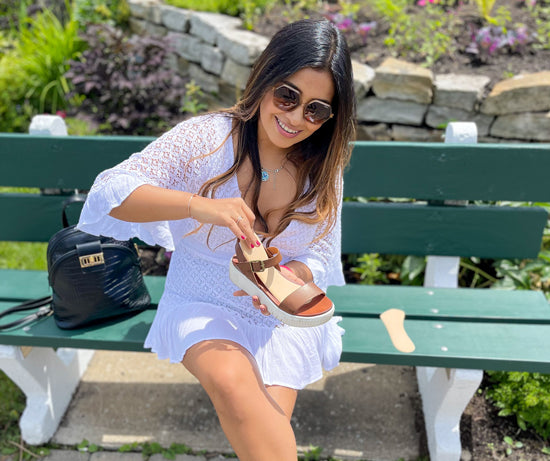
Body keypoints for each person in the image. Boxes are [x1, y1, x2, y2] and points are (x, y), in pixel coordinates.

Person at [77, 18, 356, 461]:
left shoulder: (323, 168)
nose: (296, 118)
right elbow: (112, 193)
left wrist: (290, 275)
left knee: (263, 435)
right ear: (265, 78)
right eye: (287, 95)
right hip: (201, 297)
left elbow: (319, 253)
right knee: (232, 382)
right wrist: (200, 206)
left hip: (281, 314)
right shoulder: (208, 139)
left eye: (316, 109)